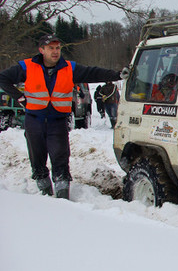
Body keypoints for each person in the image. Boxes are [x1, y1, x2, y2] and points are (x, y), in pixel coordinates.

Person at [0, 34, 127, 199]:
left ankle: (62, 195)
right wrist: (19, 97)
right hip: (34, 121)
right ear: (41, 50)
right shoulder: (27, 66)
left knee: (60, 157)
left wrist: (117, 75)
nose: (55, 51)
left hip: (57, 122)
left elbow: (93, 73)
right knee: (37, 157)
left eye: (57, 48)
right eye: (51, 48)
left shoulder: (69, 68)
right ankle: (44, 191)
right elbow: (3, 78)